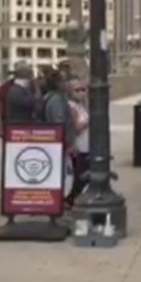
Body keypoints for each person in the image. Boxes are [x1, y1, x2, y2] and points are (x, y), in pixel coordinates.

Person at [64, 76, 90, 208]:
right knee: (78, 177)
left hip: (87, 146)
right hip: (79, 147)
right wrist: (88, 122)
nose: (81, 92)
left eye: (83, 89)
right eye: (77, 90)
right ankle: (71, 200)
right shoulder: (71, 106)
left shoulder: (81, 106)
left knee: (84, 175)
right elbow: (75, 128)